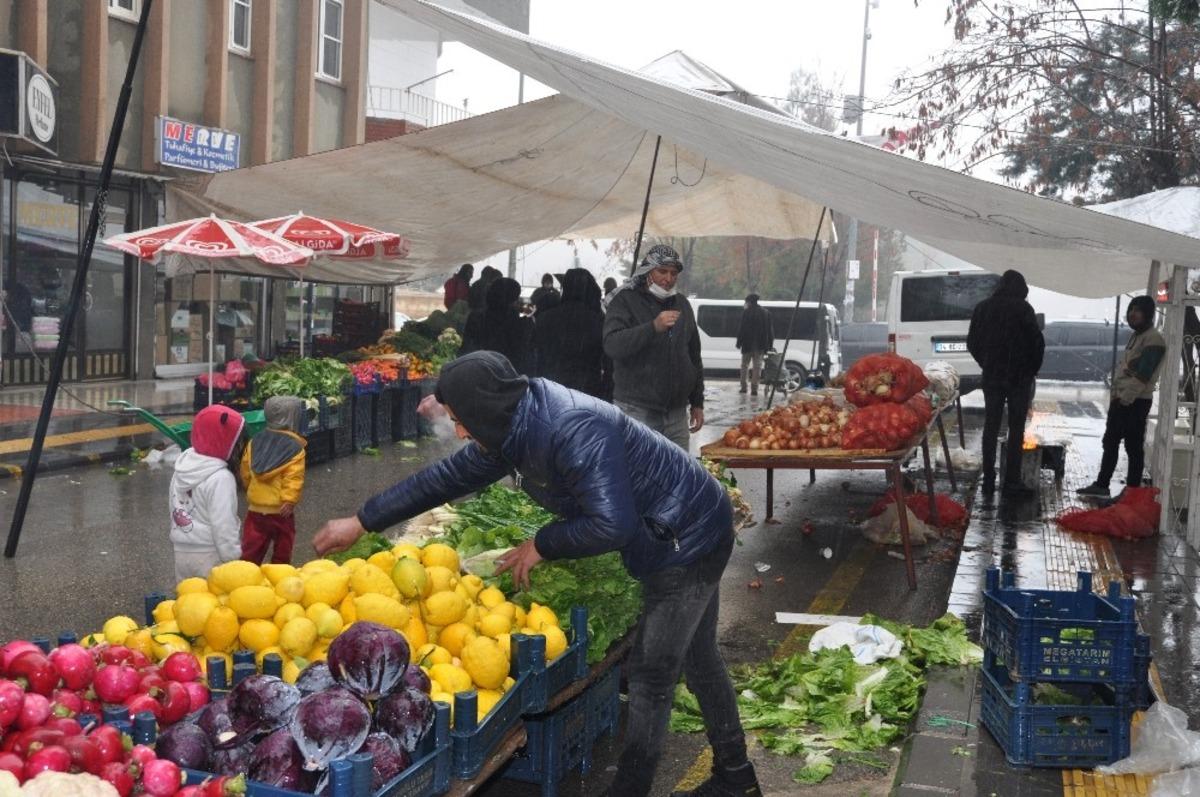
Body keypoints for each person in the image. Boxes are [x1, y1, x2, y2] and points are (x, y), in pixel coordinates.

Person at [313, 352, 760, 797]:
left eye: (460, 419)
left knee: (651, 674)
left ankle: (635, 788)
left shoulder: (570, 428)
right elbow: (446, 477)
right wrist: (363, 520)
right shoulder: (513, 427)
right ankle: (737, 777)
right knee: (698, 660)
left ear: (484, 412)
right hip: (674, 527)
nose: (460, 431)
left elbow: (613, 523)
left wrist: (542, 544)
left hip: (686, 537)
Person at [603, 244, 704, 449]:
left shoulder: (682, 304)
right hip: (637, 411)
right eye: (662, 271)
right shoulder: (625, 301)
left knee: (678, 474)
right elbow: (612, 345)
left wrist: (697, 402)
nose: (668, 279)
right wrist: (652, 328)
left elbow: (694, 356)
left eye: (673, 273)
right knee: (641, 474)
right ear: (648, 271)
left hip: (676, 415)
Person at [1078, 295, 1166, 498]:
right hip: (1123, 399)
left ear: (1148, 314)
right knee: (1111, 442)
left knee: (1132, 446)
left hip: (1134, 401)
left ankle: (1132, 491)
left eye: (1138, 310)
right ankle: (1102, 484)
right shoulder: (1137, 336)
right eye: (1131, 309)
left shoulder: (1153, 339)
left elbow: (1143, 375)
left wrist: (1125, 399)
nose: (1132, 314)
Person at [967, 270, 1044, 494]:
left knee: (990, 426)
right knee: (1016, 428)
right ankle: (1011, 481)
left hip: (992, 377)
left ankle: (989, 478)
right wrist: (1030, 370)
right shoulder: (1023, 309)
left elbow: (972, 341)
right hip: (1019, 379)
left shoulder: (983, 308)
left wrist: (987, 362)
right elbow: (1037, 343)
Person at [169, 405, 245, 581]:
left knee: (188, 601)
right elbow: (223, 525)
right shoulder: (221, 478)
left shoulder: (182, 467)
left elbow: (173, 507)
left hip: (181, 551)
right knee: (212, 605)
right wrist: (233, 558)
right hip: (210, 554)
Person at [240, 396, 307, 565]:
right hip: (280, 510)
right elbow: (293, 477)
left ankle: (246, 577)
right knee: (283, 548)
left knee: (251, 549)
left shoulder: (255, 441)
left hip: (255, 509)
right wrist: (289, 499)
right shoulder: (295, 447)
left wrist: (250, 487)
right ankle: (279, 577)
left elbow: (246, 470)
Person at [534, 269, 605, 396]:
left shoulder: (545, 318)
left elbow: (535, 355)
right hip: (587, 393)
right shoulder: (599, 321)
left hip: (549, 390)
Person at [462, 277, 535, 374]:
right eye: (516, 298)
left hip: (477, 374)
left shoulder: (476, 318)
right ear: (512, 301)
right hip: (508, 381)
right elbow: (525, 360)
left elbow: (466, 350)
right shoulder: (521, 325)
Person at [735, 294, 773, 396]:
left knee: (744, 366)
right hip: (760, 346)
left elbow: (741, 329)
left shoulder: (746, 313)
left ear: (750, 302)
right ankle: (754, 389)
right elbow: (770, 331)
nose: (745, 304)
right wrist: (769, 345)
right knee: (757, 367)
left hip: (747, 345)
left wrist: (739, 343)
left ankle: (744, 388)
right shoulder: (766, 313)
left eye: (746, 302)